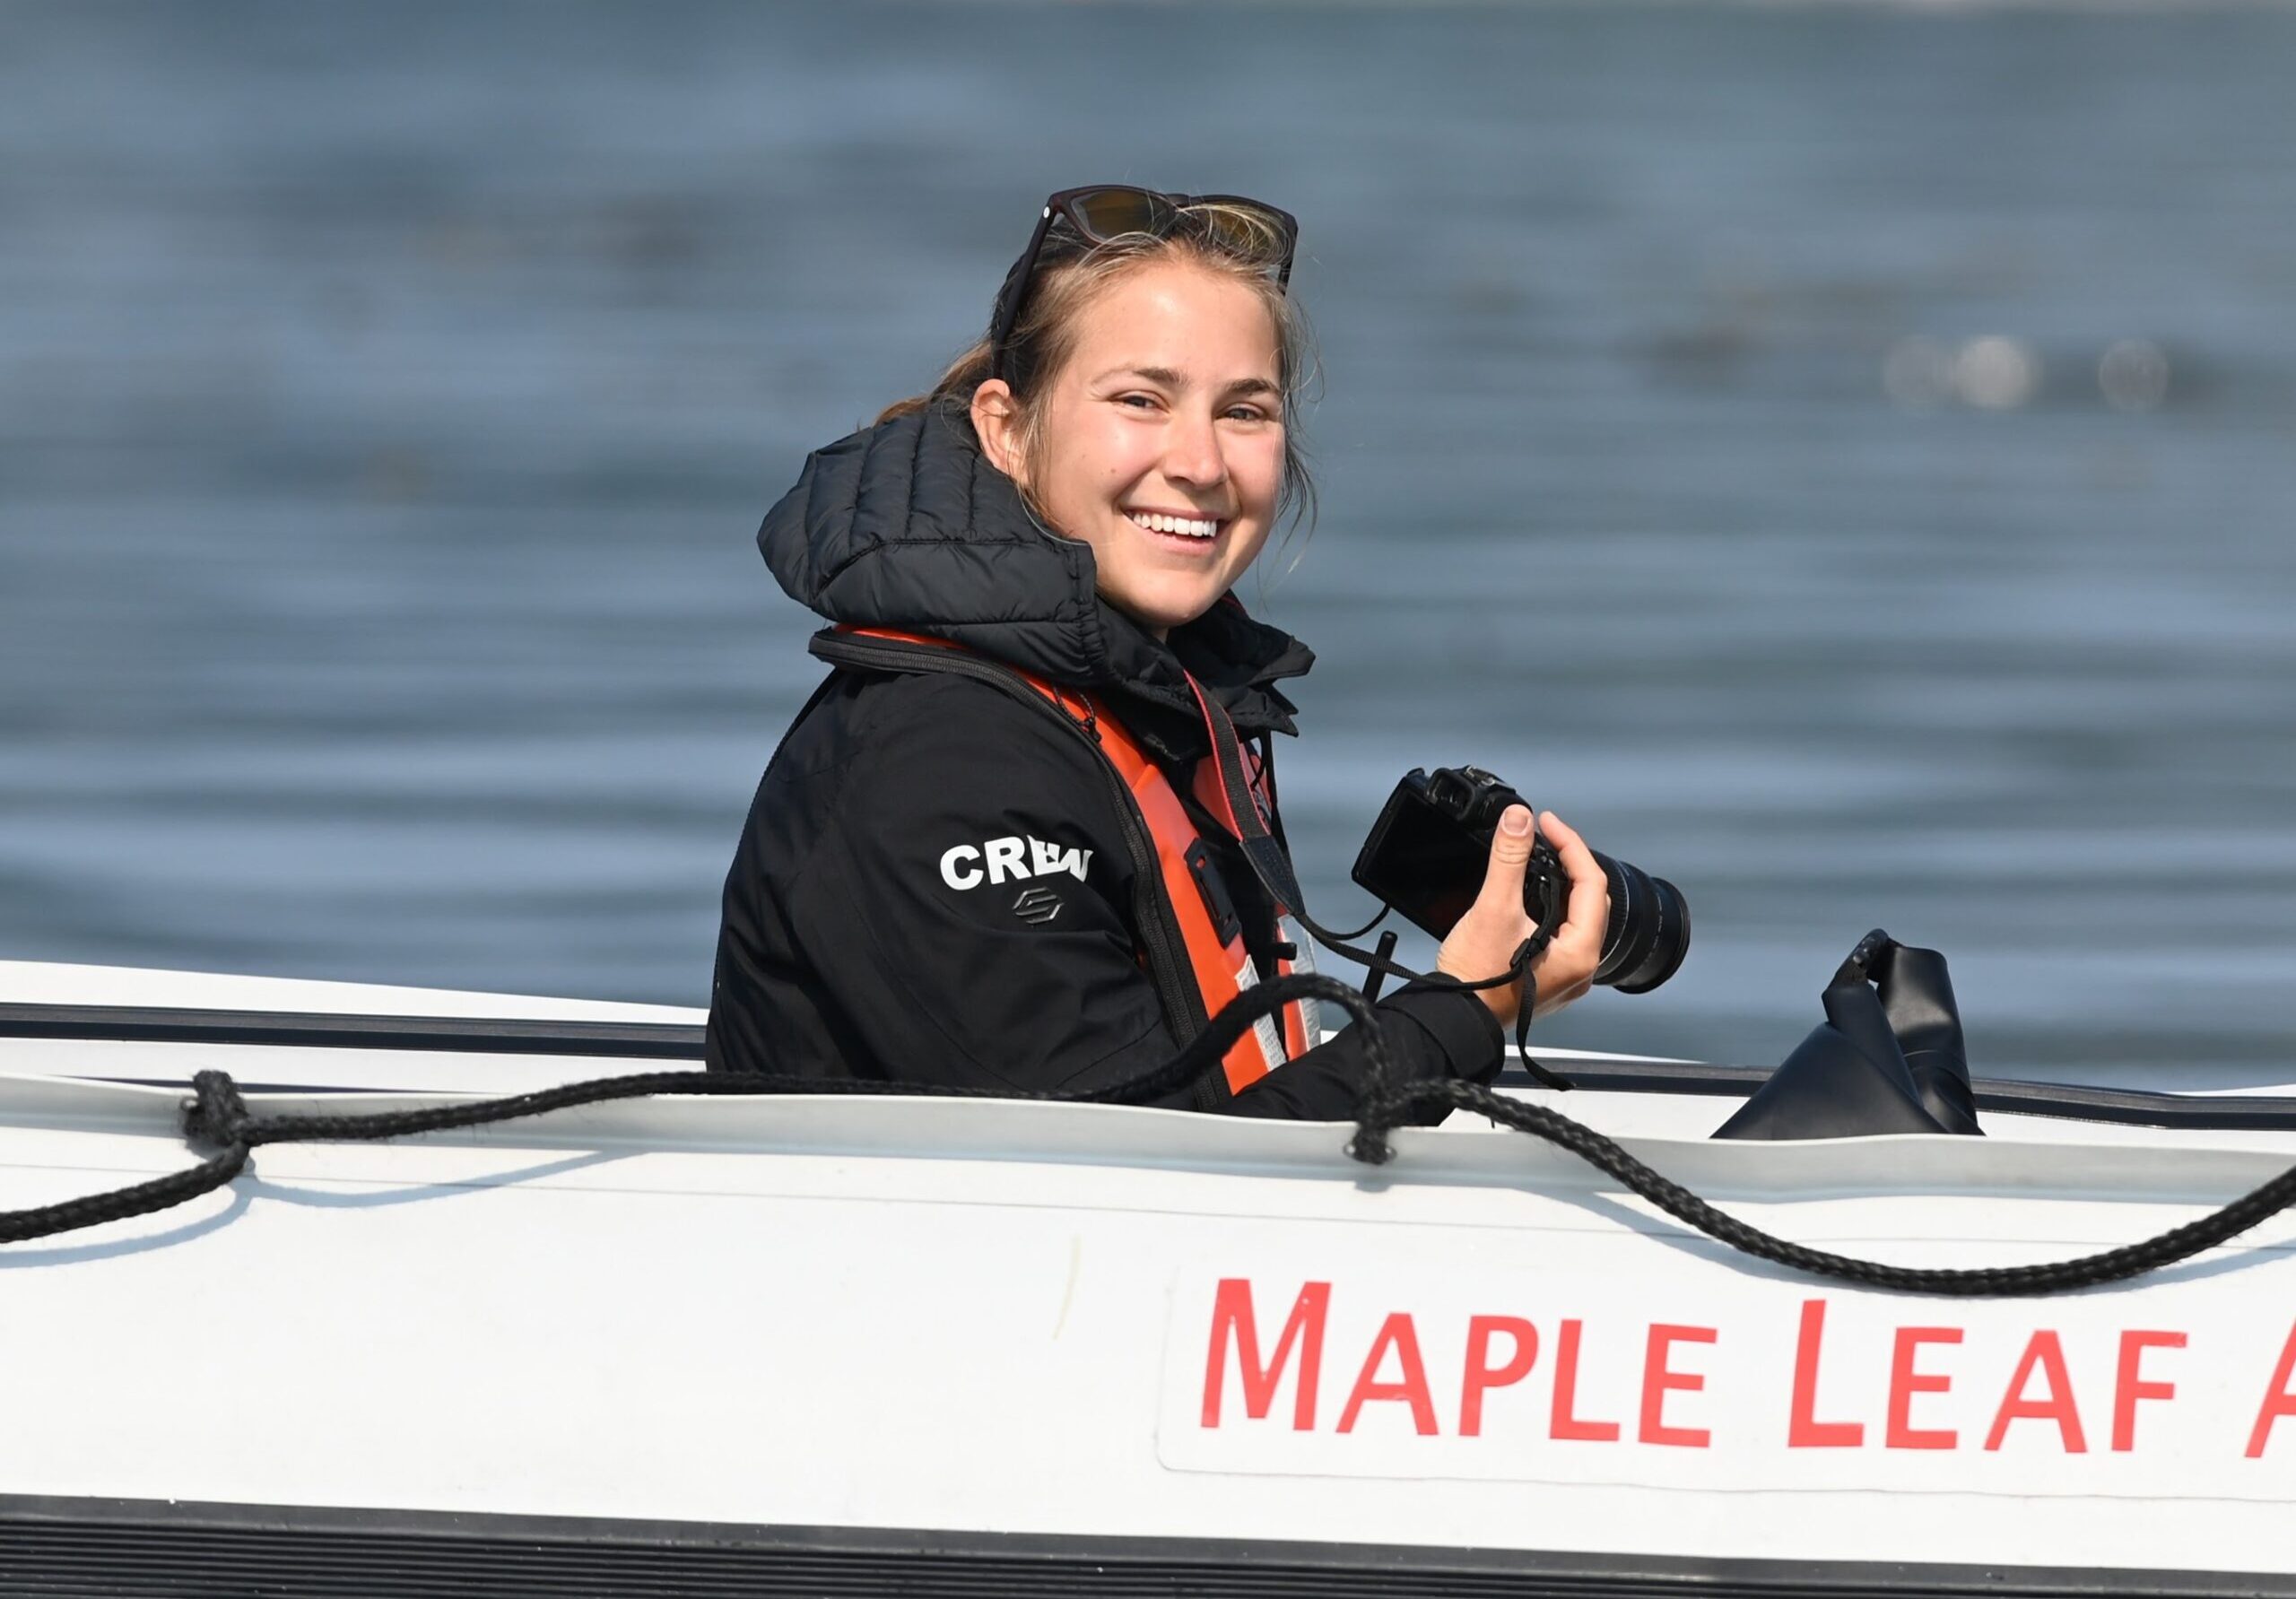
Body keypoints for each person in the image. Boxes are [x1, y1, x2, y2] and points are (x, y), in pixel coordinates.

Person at [706, 186, 1609, 1118]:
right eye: (1142, 399)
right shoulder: (944, 758)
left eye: (1244, 412)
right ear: (1006, 430)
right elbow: (1153, 1176)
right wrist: (1462, 1008)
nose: (1203, 464)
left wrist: (1459, 992)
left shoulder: (1157, 691)